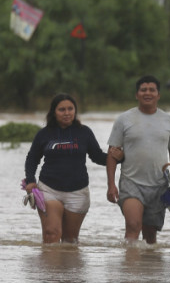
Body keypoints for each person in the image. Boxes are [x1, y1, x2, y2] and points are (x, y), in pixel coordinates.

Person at [107, 75, 170, 244]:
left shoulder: (169, 120)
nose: (147, 93)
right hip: (131, 183)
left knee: (150, 236)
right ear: (137, 95)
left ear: (158, 95)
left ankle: (148, 268)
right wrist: (111, 184)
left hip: (159, 185)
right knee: (133, 225)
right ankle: (130, 268)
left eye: (152, 90)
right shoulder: (124, 119)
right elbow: (112, 154)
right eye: (143, 90)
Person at [23, 93, 110, 244]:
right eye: (62, 110)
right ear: (53, 112)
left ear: (75, 111)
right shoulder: (44, 134)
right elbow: (32, 159)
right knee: (51, 234)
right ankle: (50, 268)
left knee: (70, 241)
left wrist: (119, 157)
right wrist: (30, 180)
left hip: (78, 192)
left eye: (70, 109)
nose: (67, 113)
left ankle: (66, 268)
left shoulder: (84, 132)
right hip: (49, 189)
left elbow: (97, 157)